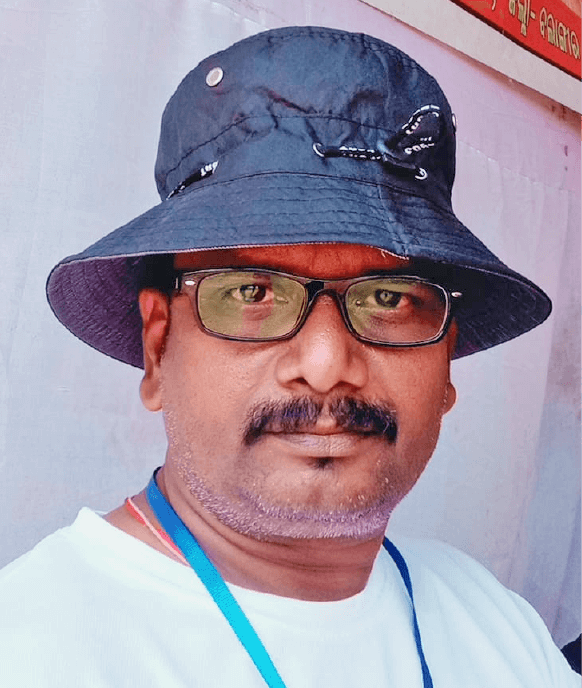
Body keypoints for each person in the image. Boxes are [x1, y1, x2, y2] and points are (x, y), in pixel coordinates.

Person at [1, 26, 578, 687]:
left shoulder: (497, 627)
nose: (327, 365)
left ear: (446, 362)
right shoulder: (35, 651)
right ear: (158, 348)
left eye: (389, 298)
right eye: (251, 292)